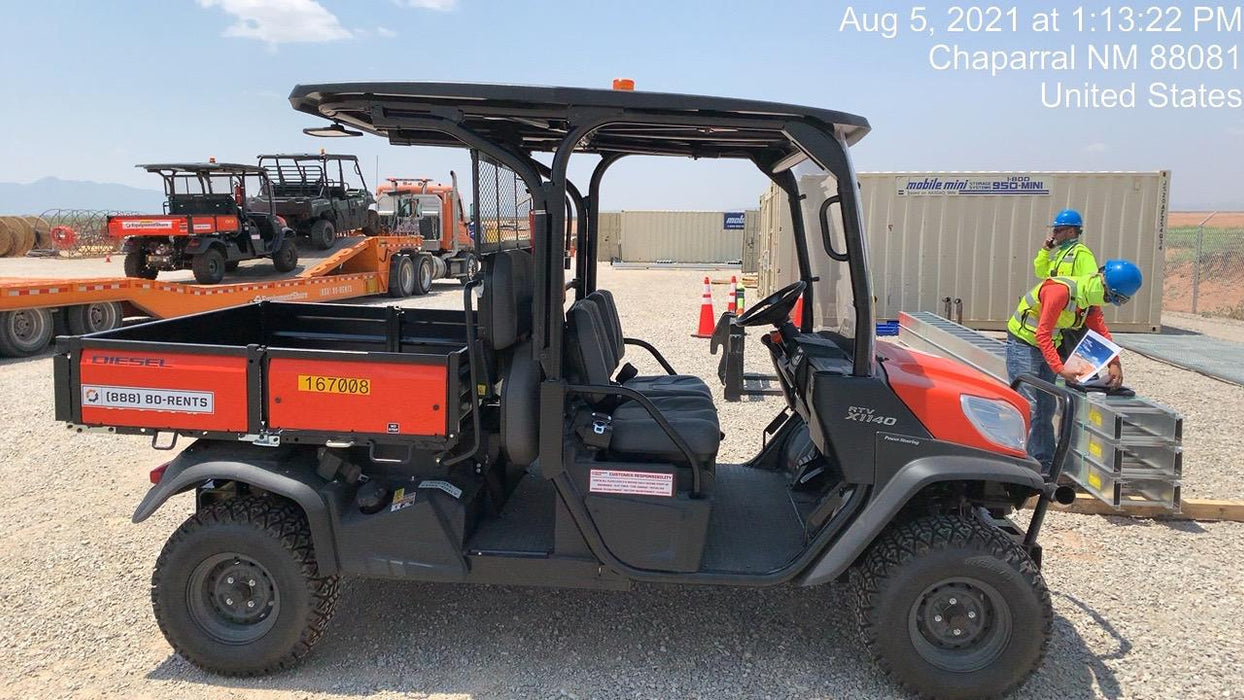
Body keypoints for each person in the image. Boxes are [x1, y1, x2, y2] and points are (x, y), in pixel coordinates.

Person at [1005, 259, 1143, 473]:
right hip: (1023, 343)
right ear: (1103, 284)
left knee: (1046, 406)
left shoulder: (1088, 299)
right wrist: (1061, 369)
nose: (1106, 302)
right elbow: (1042, 334)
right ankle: (1022, 463)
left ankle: (1044, 463)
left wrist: (1114, 362)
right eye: (1109, 297)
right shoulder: (1060, 291)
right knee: (1029, 405)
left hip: (1047, 345)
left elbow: (1100, 330)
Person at [1035, 208, 1098, 359]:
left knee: (1078, 367)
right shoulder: (1060, 254)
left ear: (1071, 232)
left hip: (1072, 323)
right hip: (1060, 320)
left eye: (1058, 230)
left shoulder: (1081, 254)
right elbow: (1041, 272)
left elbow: (1092, 283)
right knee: (1059, 365)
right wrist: (1045, 251)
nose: (1054, 234)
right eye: (1054, 230)